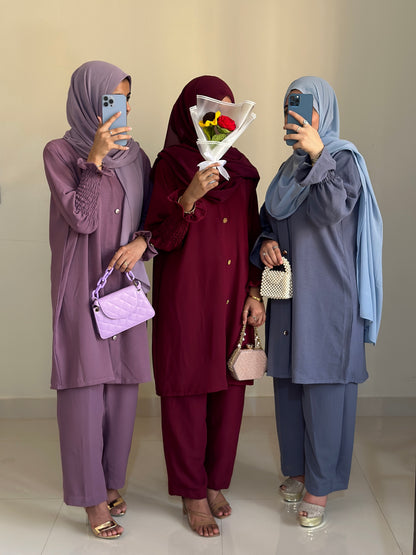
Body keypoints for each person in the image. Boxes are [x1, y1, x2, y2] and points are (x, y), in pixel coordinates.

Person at [251, 76, 383, 528]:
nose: (296, 114)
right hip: (289, 296)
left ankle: (320, 485)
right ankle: (299, 469)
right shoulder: (287, 170)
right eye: (289, 106)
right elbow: (268, 222)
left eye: (305, 106)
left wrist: (317, 154)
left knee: (325, 388)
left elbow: (330, 211)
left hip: (328, 298)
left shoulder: (342, 160)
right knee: (289, 385)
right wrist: (266, 244)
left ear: (322, 111)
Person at [144, 76, 265, 537]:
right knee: (186, 390)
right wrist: (189, 196)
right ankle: (192, 493)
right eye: (212, 108)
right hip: (187, 297)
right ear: (190, 113)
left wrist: (255, 292)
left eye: (229, 109)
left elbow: (253, 236)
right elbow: (157, 239)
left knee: (229, 394)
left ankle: (214, 483)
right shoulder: (171, 165)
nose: (221, 118)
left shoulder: (243, 171)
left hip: (233, 297)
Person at [43, 61, 156, 539]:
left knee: (123, 390)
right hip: (80, 285)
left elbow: (150, 222)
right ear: (89, 101)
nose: (120, 109)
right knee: (84, 390)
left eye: (126, 101)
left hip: (124, 285)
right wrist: (94, 157)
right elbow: (82, 219)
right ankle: (91, 501)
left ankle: (110, 484)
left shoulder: (137, 158)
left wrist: (143, 243)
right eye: (112, 99)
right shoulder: (59, 152)